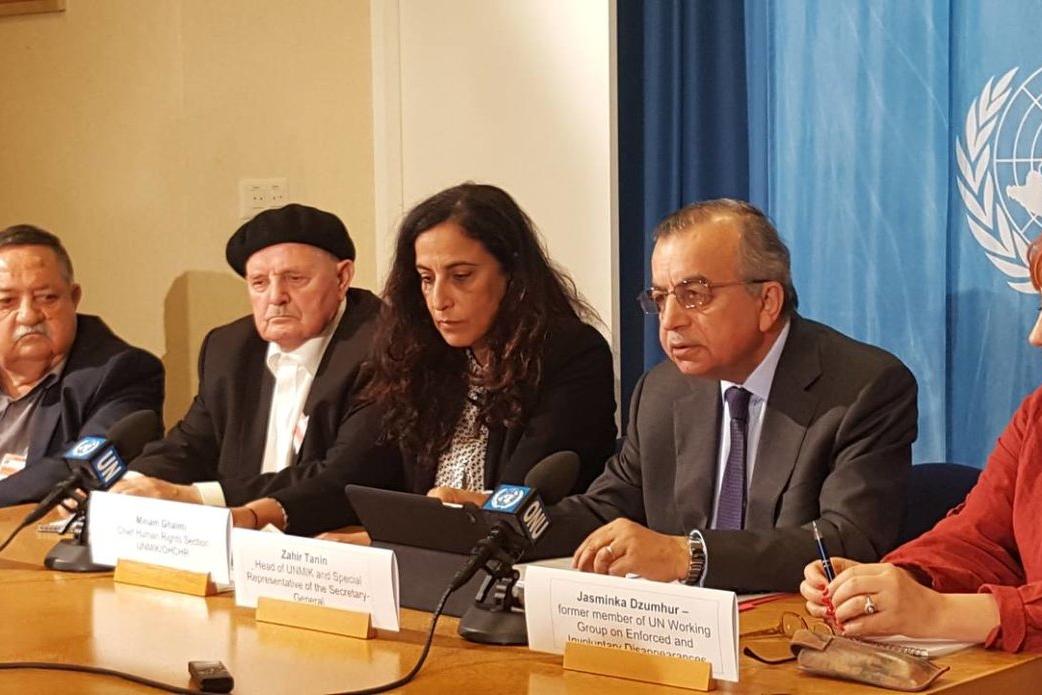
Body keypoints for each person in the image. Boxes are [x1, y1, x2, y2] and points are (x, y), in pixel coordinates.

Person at [535, 199, 918, 593]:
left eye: (694, 294)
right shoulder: (662, 392)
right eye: (661, 299)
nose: (670, 321)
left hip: (787, 621)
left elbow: (847, 540)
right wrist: (506, 528)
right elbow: (607, 510)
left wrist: (689, 556)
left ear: (767, 302)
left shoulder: (862, 388)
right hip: (674, 621)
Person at [252, 183, 617, 535]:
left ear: (511, 271)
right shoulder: (422, 356)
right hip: (424, 559)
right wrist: (257, 515)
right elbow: (355, 474)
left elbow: (524, 498)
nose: (439, 300)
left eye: (461, 276)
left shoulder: (572, 355)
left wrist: (391, 535)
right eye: (426, 279)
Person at [800, 239, 1042, 654]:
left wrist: (936, 612)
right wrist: (894, 581)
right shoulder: (1036, 415)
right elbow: (978, 539)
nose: (1035, 336)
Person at [118, 204, 400, 534]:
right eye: (259, 283)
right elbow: (190, 445)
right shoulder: (229, 348)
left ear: (342, 278)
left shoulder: (385, 346)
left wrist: (195, 497)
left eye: (295, 279)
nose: (276, 297)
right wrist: (130, 486)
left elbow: (344, 478)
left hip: (333, 540)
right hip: (240, 540)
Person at [0, 225, 164, 507]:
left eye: (47, 297)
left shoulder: (124, 371)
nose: (28, 316)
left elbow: (81, 468)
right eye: (6, 301)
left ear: (74, 298)